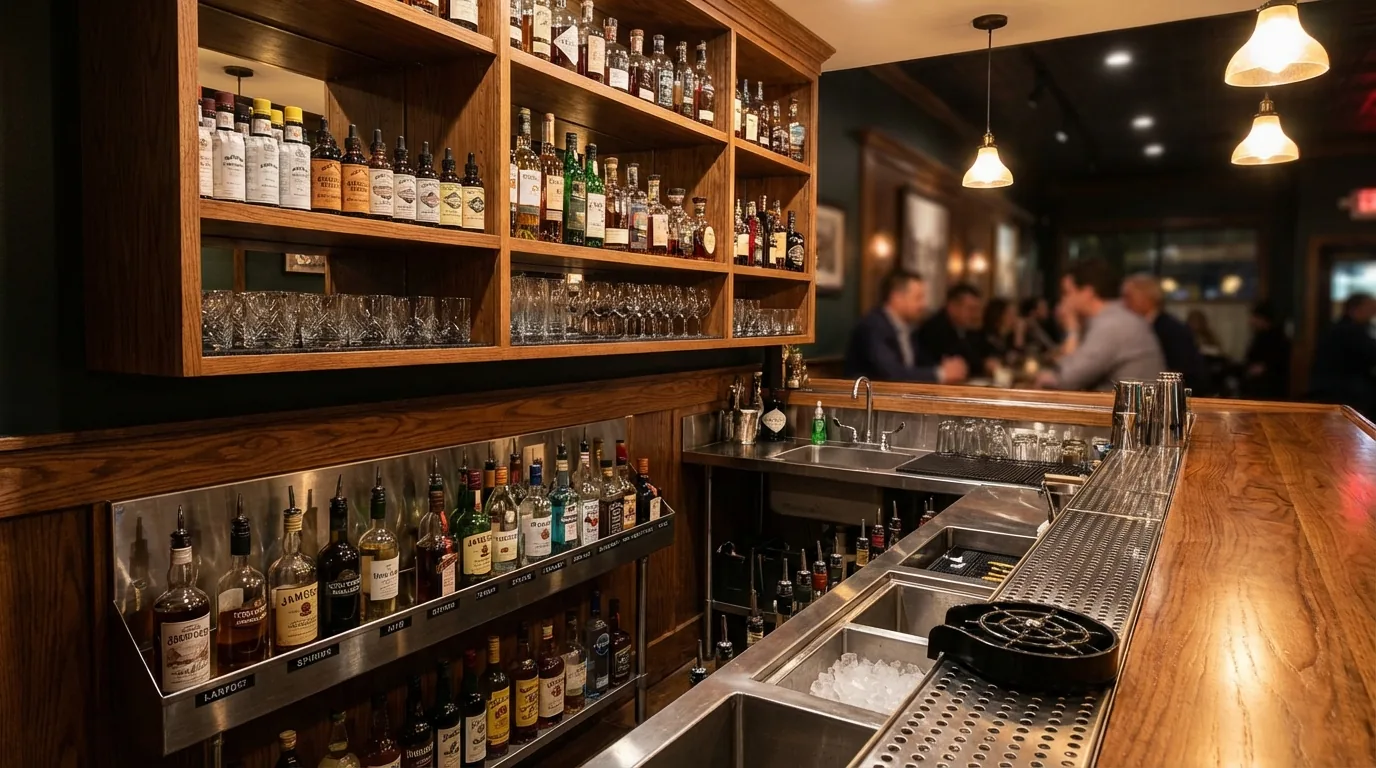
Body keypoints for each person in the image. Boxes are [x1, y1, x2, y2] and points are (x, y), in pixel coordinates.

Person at [1036, 258, 1166, 391]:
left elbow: (1067, 379)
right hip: (1130, 401)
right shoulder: (1115, 317)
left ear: (1087, 293)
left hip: (1133, 403)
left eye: (1067, 293)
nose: (1063, 301)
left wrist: (1072, 330)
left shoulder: (1111, 324)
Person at [844, 270, 969, 384]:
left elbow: (920, 364)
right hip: (867, 399)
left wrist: (946, 367)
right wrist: (940, 373)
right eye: (918, 298)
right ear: (897, 298)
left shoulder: (908, 328)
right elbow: (892, 375)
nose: (923, 304)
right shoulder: (873, 327)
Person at [1120, 274, 1212, 394]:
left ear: (1147, 298)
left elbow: (1184, 371)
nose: (1123, 303)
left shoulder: (1171, 329)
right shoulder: (1149, 325)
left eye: (1128, 297)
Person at [1308, 293, 1376, 417]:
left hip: (1343, 388)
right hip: (1343, 391)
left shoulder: (1354, 328)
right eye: (1371, 308)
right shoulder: (1348, 330)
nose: (1373, 313)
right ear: (1356, 308)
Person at [917, 283, 993, 376]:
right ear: (952, 307)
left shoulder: (966, 329)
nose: (976, 315)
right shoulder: (935, 329)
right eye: (971, 309)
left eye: (978, 310)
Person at [1241, 301, 1290, 400]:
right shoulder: (1260, 336)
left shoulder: (1276, 338)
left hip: (1269, 389)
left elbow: (1275, 363)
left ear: (1263, 319)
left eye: (1254, 317)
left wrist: (1262, 368)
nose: (1251, 321)